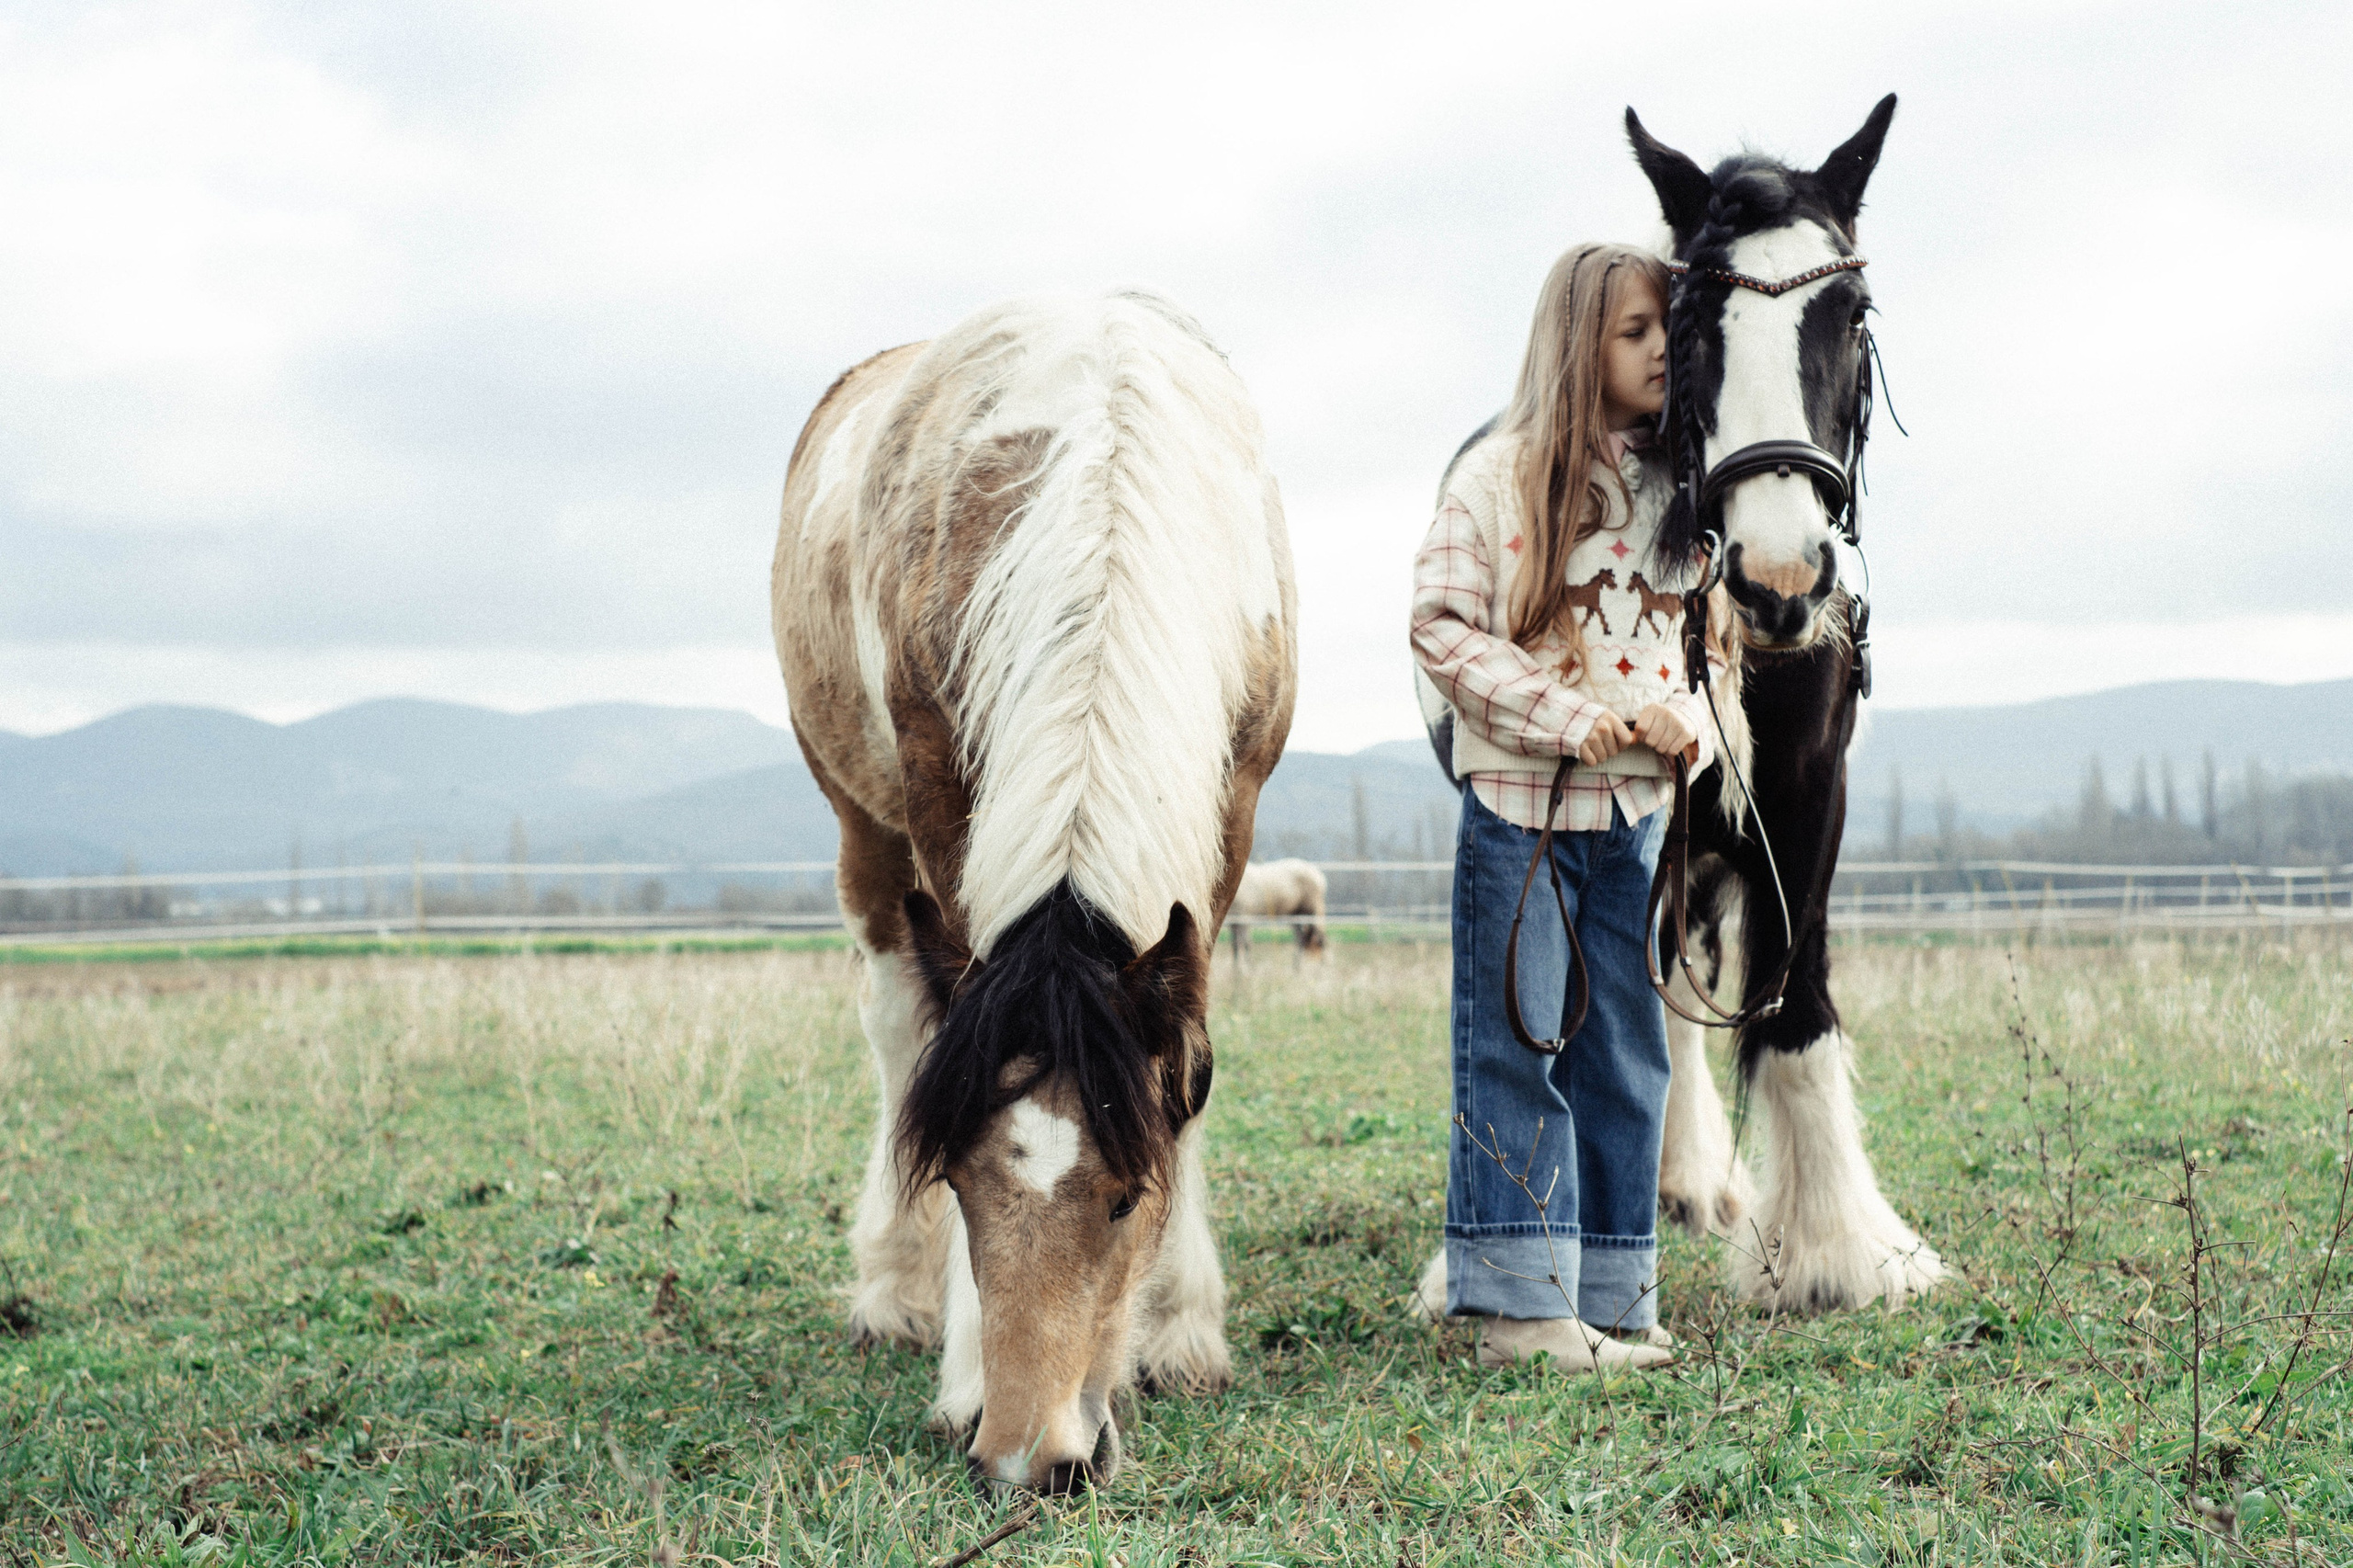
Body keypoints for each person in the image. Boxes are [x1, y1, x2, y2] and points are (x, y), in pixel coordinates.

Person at [1408, 241, 1723, 1372]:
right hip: (1521, 817)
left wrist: (1683, 714)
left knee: (1629, 1055)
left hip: (1630, 825)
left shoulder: (1676, 501)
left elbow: (1694, 647)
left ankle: (1612, 1293)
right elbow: (1440, 624)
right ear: (1578, 342)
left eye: (1664, 335)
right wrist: (1556, 713)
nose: (1657, 353)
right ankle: (1517, 1307)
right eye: (1634, 332)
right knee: (1518, 1041)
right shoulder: (1496, 482)